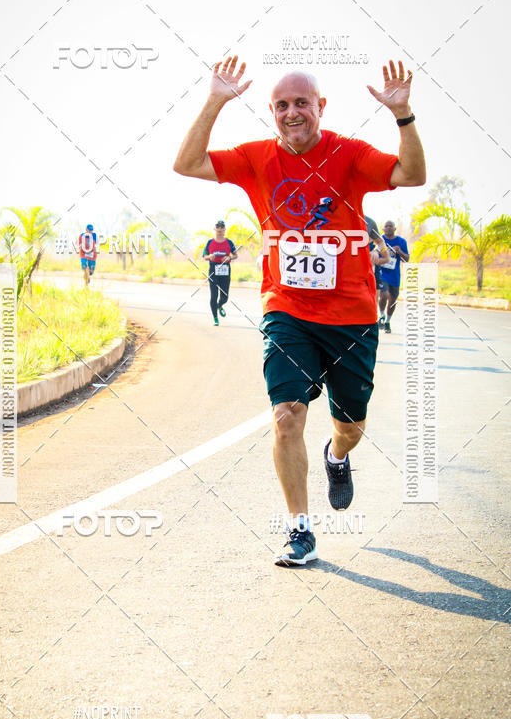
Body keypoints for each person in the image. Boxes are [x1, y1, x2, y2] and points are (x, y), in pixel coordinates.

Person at [174, 56, 425, 566]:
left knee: (350, 426)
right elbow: (187, 163)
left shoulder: (349, 153)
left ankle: (337, 455)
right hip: (286, 311)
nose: (292, 113)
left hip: (352, 317)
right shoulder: (255, 157)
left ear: (320, 107)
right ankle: (300, 530)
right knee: (287, 417)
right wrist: (216, 100)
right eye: (282, 105)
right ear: (272, 111)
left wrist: (402, 114)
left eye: (302, 103)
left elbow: (412, 174)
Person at [202, 220, 238, 325]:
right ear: (214, 229)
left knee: (225, 296)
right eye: (218, 227)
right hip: (213, 270)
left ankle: (219, 305)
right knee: (214, 296)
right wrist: (210, 256)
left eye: (222, 227)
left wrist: (229, 257)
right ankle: (215, 318)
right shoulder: (210, 242)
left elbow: (235, 255)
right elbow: (204, 256)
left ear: (224, 229)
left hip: (225, 270)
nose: (220, 229)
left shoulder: (229, 242)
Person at [377, 220, 409, 332]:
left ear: (395, 229)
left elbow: (406, 259)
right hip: (382, 273)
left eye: (391, 226)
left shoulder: (401, 241)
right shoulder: (379, 240)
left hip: (394, 275)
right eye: (386, 226)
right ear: (383, 229)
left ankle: (388, 321)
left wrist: (399, 251)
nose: (389, 228)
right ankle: (381, 315)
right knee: (384, 295)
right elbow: (373, 254)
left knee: (393, 300)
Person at [365, 214, 391, 302]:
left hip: (370, 275)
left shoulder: (369, 222)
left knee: (372, 305)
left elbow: (387, 258)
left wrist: (375, 253)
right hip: (342, 276)